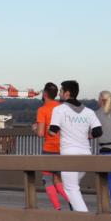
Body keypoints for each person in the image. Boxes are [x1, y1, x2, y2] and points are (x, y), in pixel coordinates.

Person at [48, 80, 103, 213]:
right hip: (86, 155)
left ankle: (85, 219)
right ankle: (77, 217)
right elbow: (98, 132)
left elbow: (53, 131)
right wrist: (85, 135)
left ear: (67, 93)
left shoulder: (59, 109)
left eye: (61, 91)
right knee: (73, 187)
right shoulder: (89, 111)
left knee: (70, 189)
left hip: (69, 155)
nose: (59, 94)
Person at [35, 82, 70, 210]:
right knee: (58, 180)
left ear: (45, 94)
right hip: (63, 149)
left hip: (49, 149)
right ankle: (73, 202)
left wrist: (35, 129)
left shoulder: (42, 110)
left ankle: (57, 208)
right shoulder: (62, 107)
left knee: (47, 180)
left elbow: (40, 133)